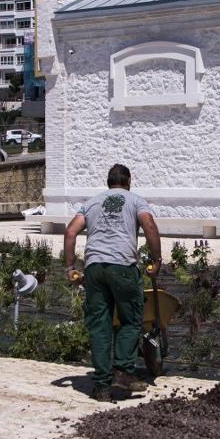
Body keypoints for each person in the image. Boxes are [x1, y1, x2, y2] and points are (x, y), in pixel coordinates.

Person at [63, 163, 162, 403]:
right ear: (129, 181)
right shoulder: (135, 201)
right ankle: (122, 371)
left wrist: (69, 267)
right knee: (130, 320)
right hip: (122, 267)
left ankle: (101, 386)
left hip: (94, 268)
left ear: (108, 182)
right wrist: (156, 259)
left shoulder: (92, 203)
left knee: (99, 325)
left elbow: (70, 233)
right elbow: (149, 225)